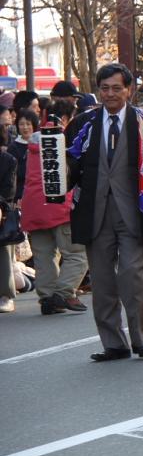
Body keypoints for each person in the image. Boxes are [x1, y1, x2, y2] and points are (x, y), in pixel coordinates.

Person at [66, 63, 143, 361]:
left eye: (117, 88)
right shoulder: (83, 124)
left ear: (129, 90)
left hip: (134, 209)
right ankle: (113, 343)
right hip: (95, 210)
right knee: (101, 281)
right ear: (98, 90)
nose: (111, 94)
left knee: (132, 275)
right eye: (105, 88)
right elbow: (69, 167)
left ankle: (140, 339)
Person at [22, 127, 89, 315]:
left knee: (44, 257)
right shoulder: (59, 150)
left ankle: (47, 298)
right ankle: (64, 293)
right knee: (77, 253)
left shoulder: (29, 154)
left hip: (32, 209)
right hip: (58, 208)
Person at [7, 109, 38, 203]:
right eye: (21, 124)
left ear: (34, 125)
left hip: (37, 191)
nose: (25, 127)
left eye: (28, 124)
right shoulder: (13, 147)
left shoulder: (40, 144)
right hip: (20, 193)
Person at [0, 150, 17, 313]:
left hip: (1, 211)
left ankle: (6, 295)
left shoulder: (8, 160)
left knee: (3, 254)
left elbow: (9, 191)